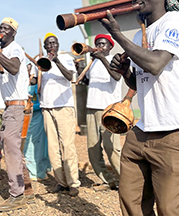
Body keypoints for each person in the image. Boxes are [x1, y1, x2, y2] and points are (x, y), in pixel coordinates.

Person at [98, 0, 179, 216]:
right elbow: (142, 81)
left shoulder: (175, 22)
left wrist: (117, 35)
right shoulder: (140, 34)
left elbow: (156, 63)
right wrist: (126, 71)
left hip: (178, 131)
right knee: (132, 202)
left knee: (169, 209)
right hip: (144, 129)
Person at [0, 18, 36, 211]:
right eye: (0, 27)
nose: (1, 30)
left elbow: (14, 67)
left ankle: (16, 195)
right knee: (13, 149)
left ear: (13, 33)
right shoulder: (0, 53)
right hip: (10, 107)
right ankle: (26, 190)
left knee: (10, 150)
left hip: (17, 106)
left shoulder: (15, 49)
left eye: (6, 28)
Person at [33, 33, 81, 195]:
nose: (52, 46)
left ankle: (73, 182)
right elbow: (35, 81)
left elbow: (70, 76)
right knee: (53, 147)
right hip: (46, 107)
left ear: (58, 45)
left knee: (67, 145)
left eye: (54, 43)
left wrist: (56, 61)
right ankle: (61, 181)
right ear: (46, 47)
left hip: (64, 107)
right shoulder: (41, 61)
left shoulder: (65, 58)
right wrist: (30, 73)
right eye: (49, 44)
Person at [81, 34, 122, 191]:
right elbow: (89, 81)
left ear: (110, 46)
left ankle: (125, 180)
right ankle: (106, 180)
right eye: (97, 43)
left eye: (103, 44)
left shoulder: (114, 59)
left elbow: (117, 76)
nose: (99, 46)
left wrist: (102, 59)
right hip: (92, 107)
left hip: (109, 109)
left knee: (111, 147)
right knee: (93, 147)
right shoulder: (92, 63)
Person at [24, 64, 50, 181]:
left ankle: (39, 171)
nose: (31, 78)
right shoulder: (23, 86)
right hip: (26, 119)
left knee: (39, 145)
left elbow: (41, 102)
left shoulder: (40, 88)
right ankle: (29, 171)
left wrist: (33, 106)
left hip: (37, 118)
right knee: (27, 145)